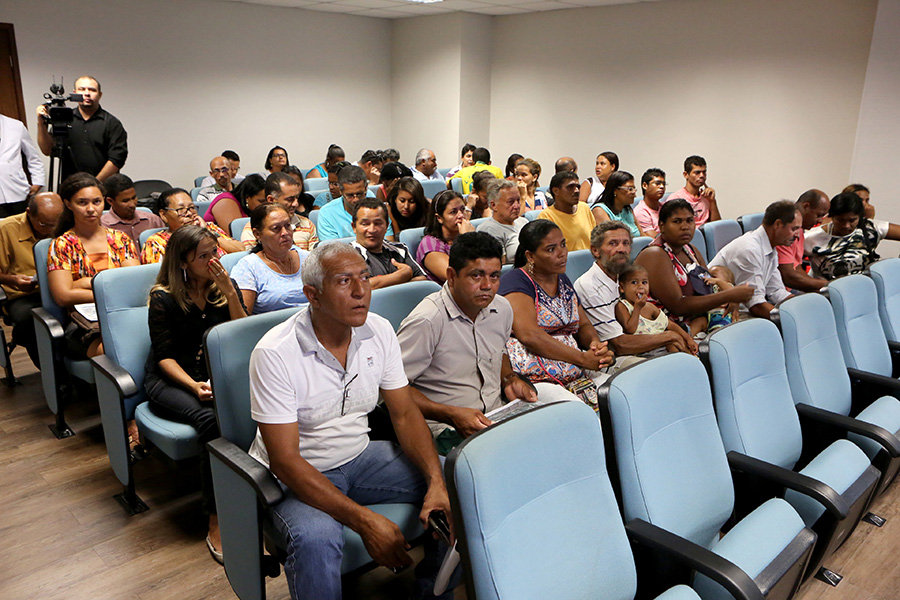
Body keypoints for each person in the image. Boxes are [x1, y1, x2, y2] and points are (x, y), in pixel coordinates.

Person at [247, 242, 454, 600]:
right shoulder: (275, 353)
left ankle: (435, 593)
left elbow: (405, 414)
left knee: (457, 482)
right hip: (298, 473)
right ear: (312, 294)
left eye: (365, 277)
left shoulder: (379, 330)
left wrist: (436, 481)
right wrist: (364, 521)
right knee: (316, 539)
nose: (361, 291)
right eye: (344, 281)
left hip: (360, 456)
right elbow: (285, 460)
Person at [399, 232, 579, 455]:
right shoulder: (427, 321)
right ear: (451, 276)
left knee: (566, 432)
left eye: (494, 276)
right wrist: (450, 413)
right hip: (447, 427)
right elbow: (393, 391)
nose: (487, 286)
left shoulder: (501, 309)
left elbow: (499, 351)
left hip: (496, 414)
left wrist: (509, 378)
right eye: (476, 276)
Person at [145, 225, 247, 564]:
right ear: (183, 261)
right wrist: (193, 385)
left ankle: (252, 497)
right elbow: (164, 357)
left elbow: (240, 333)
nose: (212, 260)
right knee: (210, 421)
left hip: (213, 375)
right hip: (172, 379)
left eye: (214, 252)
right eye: (203, 256)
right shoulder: (163, 298)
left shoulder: (222, 287)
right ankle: (215, 518)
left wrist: (230, 294)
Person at [498, 220, 615, 400]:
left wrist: (595, 346)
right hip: (536, 378)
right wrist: (582, 358)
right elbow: (530, 335)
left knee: (619, 393)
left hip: (575, 368)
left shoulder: (562, 279)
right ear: (530, 256)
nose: (562, 253)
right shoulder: (516, 282)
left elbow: (583, 324)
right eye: (551, 249)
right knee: (578, 409)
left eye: (563, 244)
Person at [574, 222, 696, 365]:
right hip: (614, 358)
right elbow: (619, 345)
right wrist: (669, 336)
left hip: (643, 343)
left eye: (625, 243)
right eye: (613, 243)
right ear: (595, 250)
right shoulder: (590, 287)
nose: (621, 249)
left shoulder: (625, 276)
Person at [48, 173, 141, 358]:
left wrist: (84, 283)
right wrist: (109, 292)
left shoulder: (119, 239)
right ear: (68, 204)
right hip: (84, 323)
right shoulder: (62, 244)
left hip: (123, 314)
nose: (91, 209)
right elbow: (63, 295)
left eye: (96, 202)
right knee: (119, 352)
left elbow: (133, 285)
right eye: (82, 203)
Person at [635, 199, 753, 333]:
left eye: (689, 220)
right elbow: (678, 306)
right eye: (677, 221)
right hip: (665, 331)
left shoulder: (690, 250)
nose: (685, 226)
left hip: (699, 321)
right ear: (662, 226)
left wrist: (729, 295)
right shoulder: (655, 254)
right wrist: (728, 295)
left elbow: (709, 288)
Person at [0, 191, 63, 366]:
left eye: (55, 224)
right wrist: (14, 281)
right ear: (29, 213)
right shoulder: (6, 229)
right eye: (44, 224)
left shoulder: (66, 225)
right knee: (31, 321)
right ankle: (52, 372)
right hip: (24, 294)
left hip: (60, 289)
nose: (51, 230)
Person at [708, 200, 799, 319]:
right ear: (778, 224)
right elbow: (756, 305)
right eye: (794, 229)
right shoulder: (749, 249)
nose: (797, 235)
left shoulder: (770, 247)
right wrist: (791, 319)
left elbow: (776, 291)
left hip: (744, 312)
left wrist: (800, 308)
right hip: (725, 315)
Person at [36, 76, 127, 182]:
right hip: (71, 185)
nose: (87, 93)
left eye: (92, 90)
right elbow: (47, 150)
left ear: (100, 94)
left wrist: (94, 184)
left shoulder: (112, 123)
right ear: (75, 93)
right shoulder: (65, 119)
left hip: (103, 186)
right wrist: (41, 123)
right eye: (82, 89)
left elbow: (117, 159)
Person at [804, 191, 900, 280]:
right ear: (831, 217)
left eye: (852, 220)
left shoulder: (871, 228)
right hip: (826, 290)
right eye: (840, 220)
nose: (846, 226)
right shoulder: (811, 237)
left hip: (864, 287)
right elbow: (795, 269)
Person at [232, 204, 308, 314]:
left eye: (287, 225)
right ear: (257, 234)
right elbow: (243, 319)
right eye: (276, 228)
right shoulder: (248, 267)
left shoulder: (308, 258)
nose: (285, 233)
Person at [143, 188, 243, 264]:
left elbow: (241, 249)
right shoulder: (156, 242)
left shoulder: (209, 227)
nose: (189, 213)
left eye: (191, 207)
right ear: (164, 215)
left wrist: (208, 233)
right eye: (181, 210)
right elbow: (159, 276)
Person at [615, 264, 698, 355]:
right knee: (672, 346)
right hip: (645, 349)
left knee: (673, 345)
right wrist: (637, 308)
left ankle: (691, 358)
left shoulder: (650, 307)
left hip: (663, 343)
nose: (640, 286)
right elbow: (630, 329)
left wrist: (688, 339)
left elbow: (669, 324)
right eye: (634, 282)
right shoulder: (622, 306)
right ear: (622, 287)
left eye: (644, 282)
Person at [351, 198, 425, 290]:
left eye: (378, 223)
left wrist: (386, 283)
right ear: (354, 227)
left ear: (386, 226)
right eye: (365, 224)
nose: (372, 230)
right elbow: (361, 287)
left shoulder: (399, 249)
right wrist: (402, 275)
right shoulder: (347, 255)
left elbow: (423, 280)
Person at [241, 173, 318, 250]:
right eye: (290, 199)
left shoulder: (307, 224)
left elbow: (314, 256)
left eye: (297, 198)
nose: (296, 204)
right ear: (271, 200)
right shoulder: (254, 230)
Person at [317, 165, 394, 241]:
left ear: (366, 188)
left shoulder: (378, 208)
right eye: (350, 195)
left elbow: (389, 241)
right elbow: (331, 247)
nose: (356, 199)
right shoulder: (326, 213)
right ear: (341, 191)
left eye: (359, 194)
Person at [416, 190, 476, 283]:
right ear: (439, 218)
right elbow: (455, 277)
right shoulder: (429, 245)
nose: (460, 215)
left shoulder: (466, 233)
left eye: (462, 209)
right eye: (453, 212)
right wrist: (468, 239)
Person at [776, 189, 830, 293]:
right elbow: (788, 276)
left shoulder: (799, 229)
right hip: (780, 290)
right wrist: (829, 285)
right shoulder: (785, 230)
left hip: (790, 288)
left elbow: (797, 267)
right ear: (806, 206)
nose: (820, 221)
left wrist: (817, 288)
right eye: (819, 215)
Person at [538, 171, 596, 251]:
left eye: (578, 187)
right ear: (556, 191)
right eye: (570, 187)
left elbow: (595, 240)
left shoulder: (584, 207)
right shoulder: (546, 216)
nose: (576, 191)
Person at [0, 113, 45, 217]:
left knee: (23, 225)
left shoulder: (16, 125)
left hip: (17, 189)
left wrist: (38, 181)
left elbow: (33, 157)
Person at [100, 173, 165, 243]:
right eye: (125, 201)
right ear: (110, 201)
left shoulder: (153, 221)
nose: (132, 205)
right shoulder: (102, 226)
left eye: (134, 198)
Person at [476, 179, 528, 264]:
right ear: (494, 205)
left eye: (518, 200)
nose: (517, 206)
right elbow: (499, 267)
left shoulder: (524, 222)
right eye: (510, 202)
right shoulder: (488, 230)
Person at [665, 155, 721, 227]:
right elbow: (671, 227)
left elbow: (717, 227)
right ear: (686, 175)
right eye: (697, 172)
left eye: (704, 172)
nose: (702, 176)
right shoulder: (675, 198)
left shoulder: (706, 197)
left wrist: (712, 201)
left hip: (707, 233)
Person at [205, 173, 266, 238]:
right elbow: (237, 236)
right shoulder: (226, 202)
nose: (265, 204)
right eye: (261, 201)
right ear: (247, 198)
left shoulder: (248, 209)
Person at [590, 170, 645, 238]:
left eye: (634, 189)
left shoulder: (627, 209)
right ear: (615, 190)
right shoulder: (599, 210)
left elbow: (642, 235)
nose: (634, 192)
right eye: (630, 189)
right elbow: (612, 239)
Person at [633, 168, 666, 236]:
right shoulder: (640, 212)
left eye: (664, 184)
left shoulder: (666, 207)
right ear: (645, 185)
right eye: (657, 183)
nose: (662, 187)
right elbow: (654, 239)